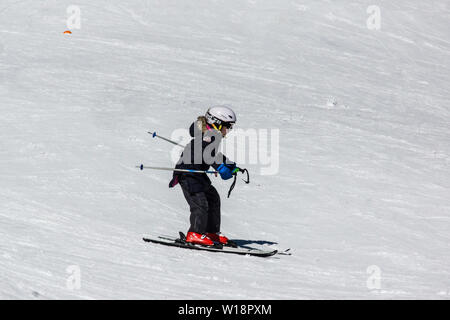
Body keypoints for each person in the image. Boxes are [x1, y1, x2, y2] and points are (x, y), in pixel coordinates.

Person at [169, 105, 240, 246]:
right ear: (217, 123)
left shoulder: (212, 134)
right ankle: (195, 233)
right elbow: (206, 154)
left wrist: (227, 163)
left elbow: (211, 153)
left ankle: (211, 232)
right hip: (188, 173)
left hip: (197, 174)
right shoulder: (209, 135)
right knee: (200, 203)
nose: (228, 130)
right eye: (227, 126)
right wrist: (220, 167)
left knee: (213, 198)